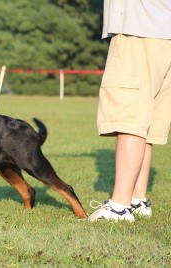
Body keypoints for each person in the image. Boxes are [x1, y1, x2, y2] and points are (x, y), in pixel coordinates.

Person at [88, 0, 171, 222]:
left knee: (130, 118)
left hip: (139, 30)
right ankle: (137, 200)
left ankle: (119, 207)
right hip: (165, 32)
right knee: (146, 121)